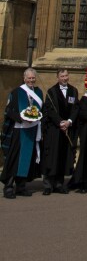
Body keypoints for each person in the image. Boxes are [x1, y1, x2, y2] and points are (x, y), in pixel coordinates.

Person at [1, 68, 43, 199]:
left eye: (33, 78)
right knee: (15, 159)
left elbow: (42, 109)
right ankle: (8, 186)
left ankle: (21, 186)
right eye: (29, 78)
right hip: (19, 130)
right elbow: (8, 111)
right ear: (24, 78)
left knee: (28, 158)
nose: (31, 80)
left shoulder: (39, 92)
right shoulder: (16, 92)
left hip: (33, 130)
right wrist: (21, 117)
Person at [41, 68, 79, 195]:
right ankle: (47, 185)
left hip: (67, 129)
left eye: (66, 75)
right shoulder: (51, 92)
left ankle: (59, 183)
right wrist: (60, 122)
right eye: (62, 76)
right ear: (57, 77)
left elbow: (75, 109)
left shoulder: (74, 91)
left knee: (63, 157)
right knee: (51, 157)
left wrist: (69, 121)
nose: (64, 78)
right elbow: (49, 110)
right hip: (55, 130)